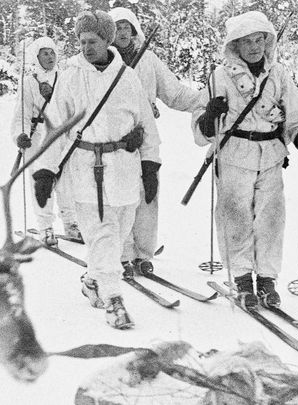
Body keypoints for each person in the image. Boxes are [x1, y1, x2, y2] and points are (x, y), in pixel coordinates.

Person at [34, 11, 160, 330]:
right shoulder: (71, 76)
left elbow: (145, 122)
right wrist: (46, 171)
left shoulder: (127, 77)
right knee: (101, 234)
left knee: (116, 236)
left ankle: (92, 279)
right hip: (86, 169)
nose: (86, 47)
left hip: (125, 169)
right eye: (81, 41)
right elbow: (55, 128)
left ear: (106, 41)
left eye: (92, 41)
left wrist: (149, 164)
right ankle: (114, 300)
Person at [191, 11, 298, 309]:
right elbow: (201, 131)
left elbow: (297, 116)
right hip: (234, 154)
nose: (253, 47)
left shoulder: (279, 75)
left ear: (267, 41)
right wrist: (210, 114)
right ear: (235, 45)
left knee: (271, 219)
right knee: (235, 217)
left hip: (271, 157)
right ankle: (241, 277)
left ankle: (267, 279)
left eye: (259, 39)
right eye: (246, 41)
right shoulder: (220, 76)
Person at [108, 7, 201, 275]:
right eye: (117, 28)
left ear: (134, 29)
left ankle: (143, 254)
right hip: (114, 141)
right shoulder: (104, 62)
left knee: (148, 193)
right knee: (120, 196)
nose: (122, 32)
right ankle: (123, 254)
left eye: (127, 27)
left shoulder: (147, 59)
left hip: (146, 138)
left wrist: (207, 99)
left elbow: (175, 93)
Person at [10, 36, 82, 246]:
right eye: (44, 53)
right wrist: (21, 135)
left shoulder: (65, 77)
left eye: (52, 53)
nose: (49, 57)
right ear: (36, 57)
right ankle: (45, 227)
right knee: (41, 183)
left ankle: (71, 224)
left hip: (62, 134)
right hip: (39, 136)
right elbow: (21, 114)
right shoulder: (29, 82)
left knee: (66, 181)